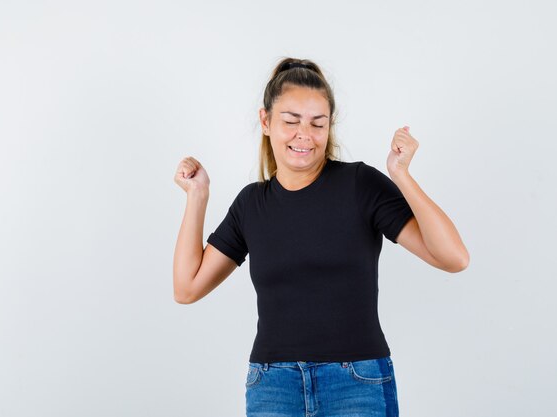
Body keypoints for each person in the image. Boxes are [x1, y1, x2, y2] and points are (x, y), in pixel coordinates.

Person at [173, 57, 469, 417]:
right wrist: (197, 196)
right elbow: (186, 288)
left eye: (318, 123)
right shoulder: (252, 204)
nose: (304, 135)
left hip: (356, 383)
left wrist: (400, 174)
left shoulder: (360, 185)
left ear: (330, 127)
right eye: (291, 121)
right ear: (266, 121)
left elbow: (453, 257)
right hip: (272, 387)